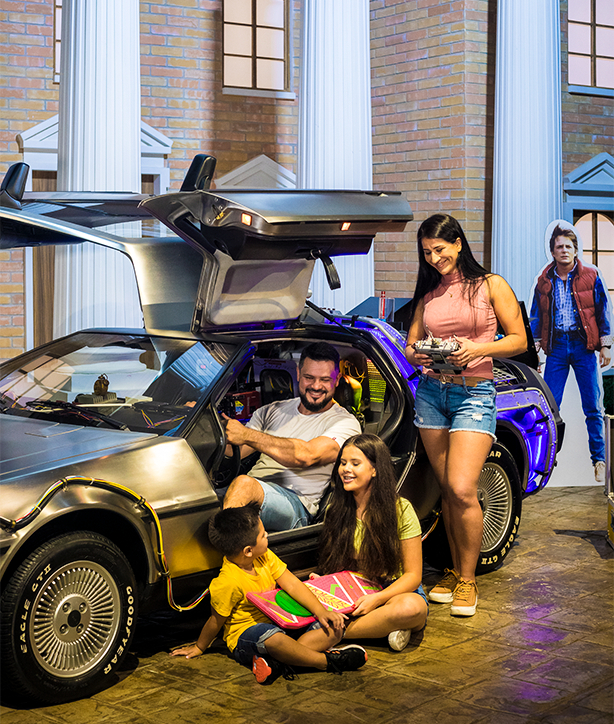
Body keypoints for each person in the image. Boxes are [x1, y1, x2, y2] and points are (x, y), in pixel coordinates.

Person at [405, 213, 526, 617]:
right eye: (427, 252)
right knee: (446, 490)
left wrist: (478, 349)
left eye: (439, 249)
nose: (433, 258)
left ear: (458, 243)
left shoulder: (491, 284)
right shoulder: (429, 292)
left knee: (461, 488)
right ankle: (456, 571)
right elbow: (410, 345)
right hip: (431, 394)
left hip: (474, 393)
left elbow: (519, 340)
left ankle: (469, 580)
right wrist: (420, 353)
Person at [170, 503, 367, 683]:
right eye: (263, 535)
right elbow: (215, 620)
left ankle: (279, 664)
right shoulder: (227, 581)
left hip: (283, 623)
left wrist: (321, 612)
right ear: (248, 551)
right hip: (248, 636)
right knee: (274, 638)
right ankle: (326, 662)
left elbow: (292, 584)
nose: (268, 537)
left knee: (334, 629)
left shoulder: (265, 556)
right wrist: (200, 646)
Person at [222, 342, 362, 531]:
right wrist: (208, 424)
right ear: (298, 374)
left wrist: (248, 434)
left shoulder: (345, 423)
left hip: (296, 505)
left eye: (325, 380)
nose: (316, 386)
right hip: (252, 489)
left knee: (243, 485)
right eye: (309, 378)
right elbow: (234, 451)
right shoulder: (272, 410)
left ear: (337, 380)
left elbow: (307, 455)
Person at [317, 433, 428, 651]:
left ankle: (335, 633)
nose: (346, 469)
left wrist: (377, 600)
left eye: (355, 463)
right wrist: (323, 583)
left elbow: (413, 576)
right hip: (353, 590)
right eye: (343, 463)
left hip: (392, 591)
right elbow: (335, 565)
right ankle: (378, 629)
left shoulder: (401, 509)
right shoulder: (335, 510)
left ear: (375, 469)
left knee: (411, 608)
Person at [530, 224, 612, 484]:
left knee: (593, 406)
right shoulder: (544, 280)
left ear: (576, 250)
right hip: (556, 347)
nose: (564, 250)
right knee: (549, 406)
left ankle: (599, 460)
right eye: (559, 247)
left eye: (568, 246)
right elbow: (536, 315)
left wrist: (606, 344)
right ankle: (546, 460)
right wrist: (534, 347)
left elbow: (603, 310)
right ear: (553, 251)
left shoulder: (591, 275)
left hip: (583, 346)